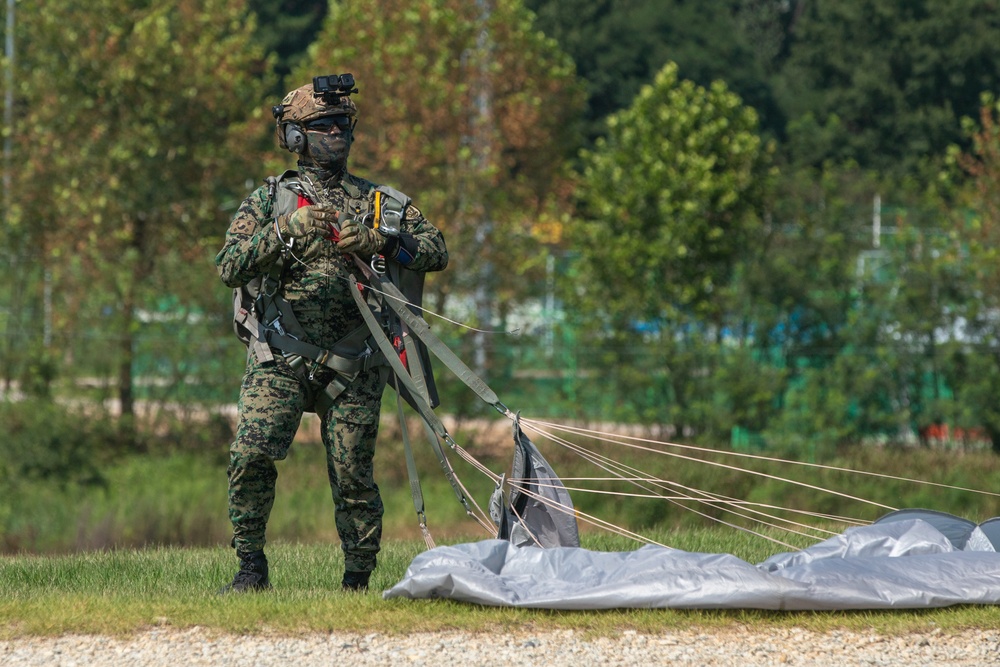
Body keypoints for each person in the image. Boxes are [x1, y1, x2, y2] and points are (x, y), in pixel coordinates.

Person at [215, 74, 448, 593]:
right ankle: (250, 567)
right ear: (295, 136)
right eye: (322, 125)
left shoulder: (378, 203)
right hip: (281, 354)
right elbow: (228, 265)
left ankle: (357, 582)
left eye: (343, 124)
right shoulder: (270, 200)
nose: (336, 133)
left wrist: (379, 242)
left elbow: (436, 250)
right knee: (251, 454)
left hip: (354, 362)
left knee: (353, 477)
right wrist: (281, 234)